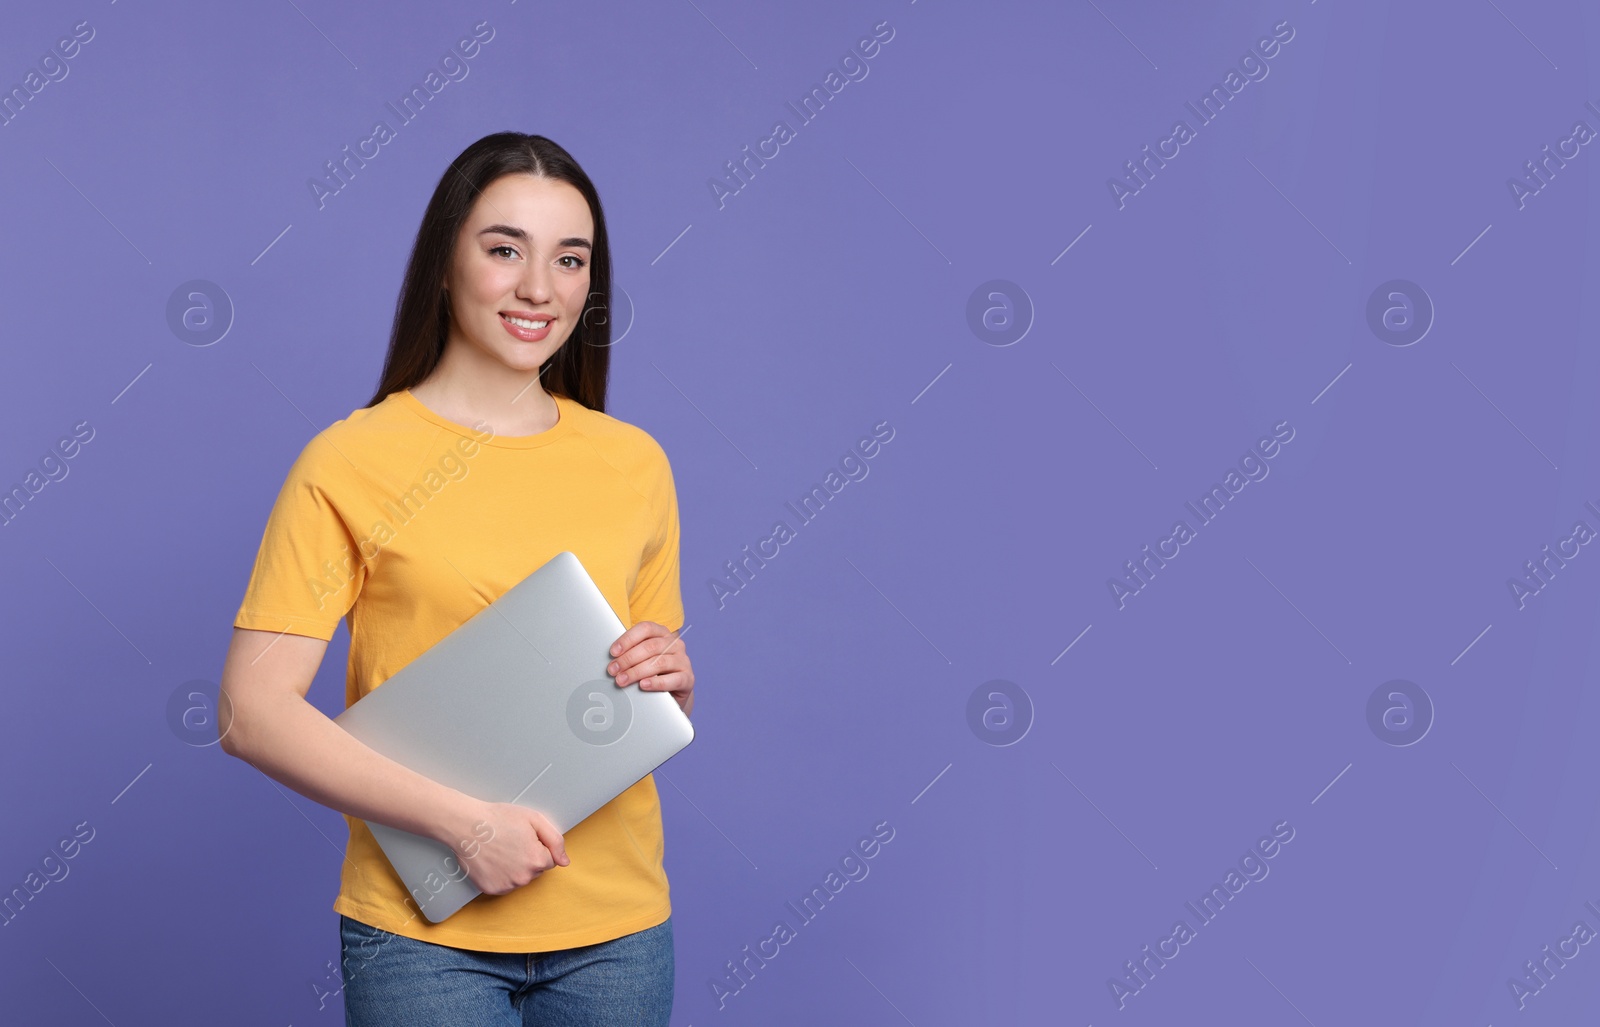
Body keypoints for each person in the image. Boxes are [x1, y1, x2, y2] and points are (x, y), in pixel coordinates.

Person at [217, 131, 695, 1026]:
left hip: (620, 931)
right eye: (504, 248)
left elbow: (635, 701)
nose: (538, 288)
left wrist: (669, 673)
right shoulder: (350, 460)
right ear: (445, 262)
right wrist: (464, 827)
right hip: (422, 939)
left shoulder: (635, 463)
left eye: (570, 259)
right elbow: (252, 711)